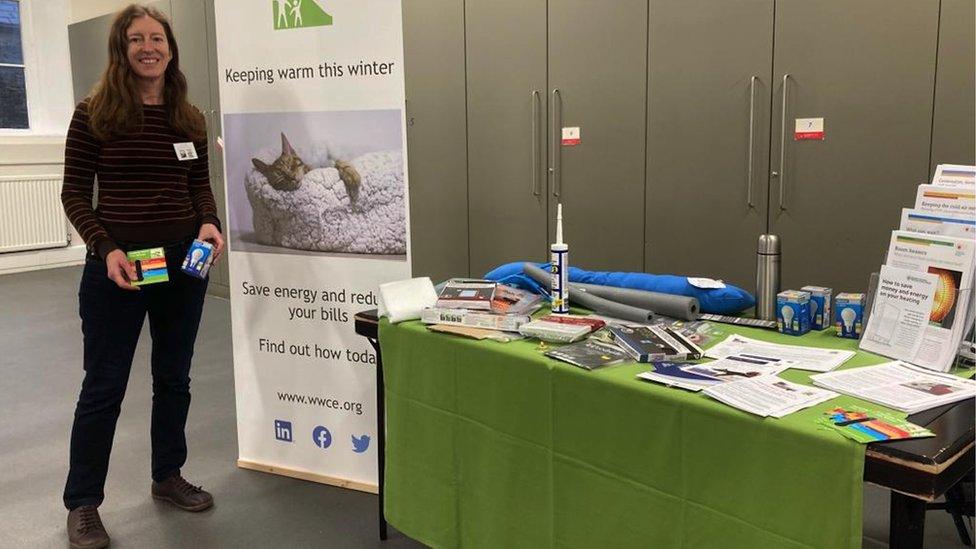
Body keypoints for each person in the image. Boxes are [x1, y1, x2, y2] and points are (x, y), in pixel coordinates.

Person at [60, 5, 224, 548]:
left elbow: (199, 184)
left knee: (173, 377)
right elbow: (74, 194)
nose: (148, 47)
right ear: (122, 49)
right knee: (103, 387)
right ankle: (83, 504)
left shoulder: (188, 116)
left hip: (182, 262)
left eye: (157, 38)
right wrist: (104, 249)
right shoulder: (94, 113)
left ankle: (167, 476)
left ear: (171, 49)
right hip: (123, 267)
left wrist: (209, 222)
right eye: (137, 39)